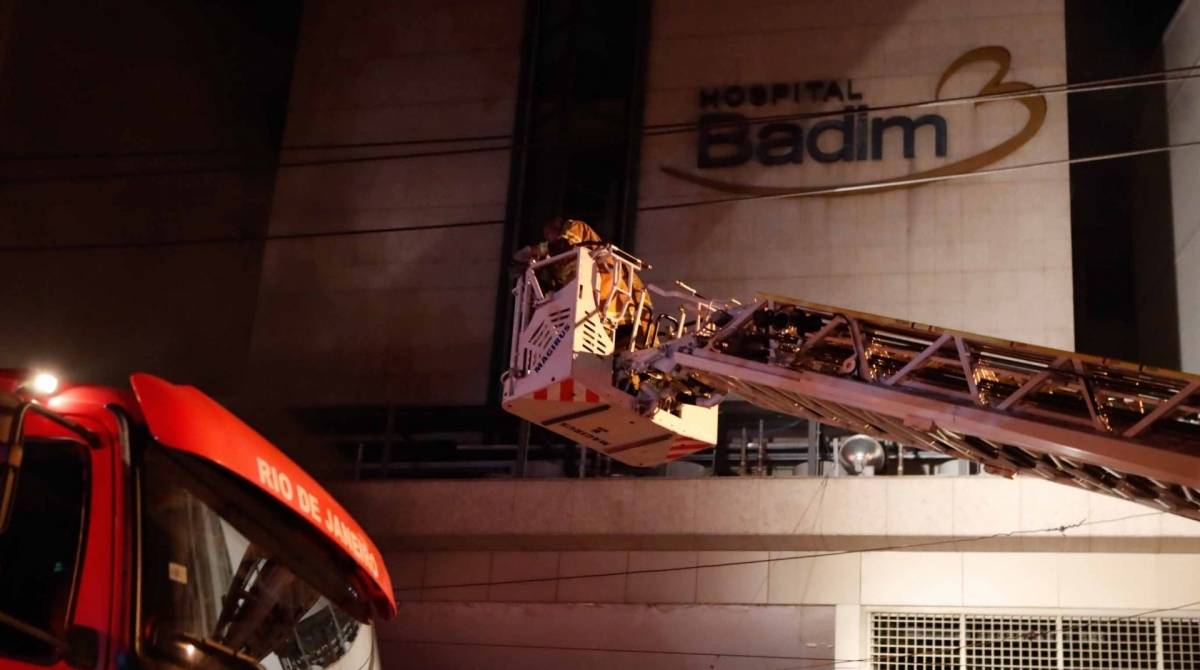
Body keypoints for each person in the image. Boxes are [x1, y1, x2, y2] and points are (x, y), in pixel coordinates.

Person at [513, 217, 653, 345]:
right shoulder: (560, 262)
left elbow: (564, 244)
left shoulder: (575, 227)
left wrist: (536, 250)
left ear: (556, 224)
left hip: (611, 293)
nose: (547, 239)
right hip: (606, 307)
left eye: (548, 235)